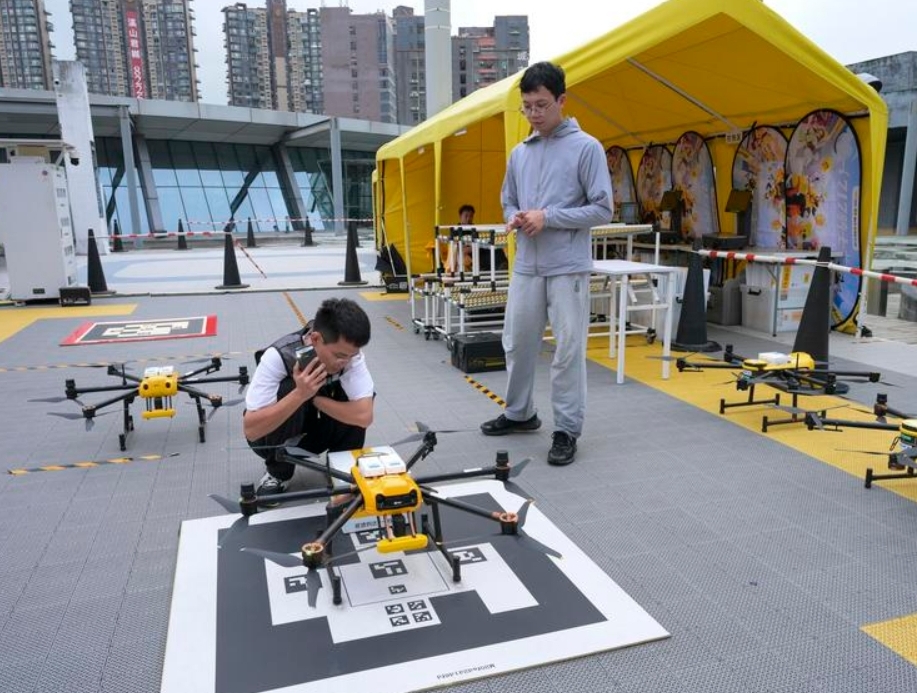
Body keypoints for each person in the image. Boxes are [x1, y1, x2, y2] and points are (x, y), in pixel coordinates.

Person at [480, 61, 613, 466]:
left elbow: (603, 209)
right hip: (526, 266)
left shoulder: (586, 147)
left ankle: (566, 429)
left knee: (567, 351)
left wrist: (548, 216)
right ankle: (520, 413)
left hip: (567, 266)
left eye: (541, 105)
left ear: (561, 101)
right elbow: (509, 198)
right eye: (527, 107)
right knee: (518, 343)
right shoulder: (520, 153)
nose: (535, 114)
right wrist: (515, 216)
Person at [244, 297, 374, 497]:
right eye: (339, 356)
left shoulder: (351, 357)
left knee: (356, 398)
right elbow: (252, 430)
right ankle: (279, 473)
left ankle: (341, 469)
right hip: (276, 438)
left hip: (319, 428)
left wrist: (312, 396)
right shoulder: (278, 356)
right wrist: (299, 394)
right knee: (288, 388)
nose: (345, 362)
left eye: (351, 355)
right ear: (315, 339)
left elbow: (364, 415)